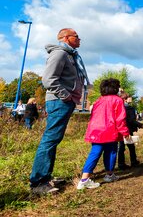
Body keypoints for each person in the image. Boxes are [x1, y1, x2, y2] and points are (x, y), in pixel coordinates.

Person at [30, 28, 89, 195]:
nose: (79, 39)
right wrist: (66, 96)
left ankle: (45, 177)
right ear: (66, 38)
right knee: (50, 139)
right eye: (76, 36)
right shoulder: (60, 54)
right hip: (59, 101)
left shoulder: (70, 55)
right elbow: (48, 79)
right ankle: (38, 182)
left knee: (54, 139)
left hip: (64, 102)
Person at [77, 78, 129, 190]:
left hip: (96, 130)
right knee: (111, 152)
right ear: (115, 88)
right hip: (110, 130)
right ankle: (109, 174)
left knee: (95, 153)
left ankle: (84, 178)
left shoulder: (98, 100)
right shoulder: (117, 100)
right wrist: (125, 132)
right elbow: (120, 119)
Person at [117, 93, 143, 170]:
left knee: (121, 147)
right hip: (127, 129)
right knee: (131, 146)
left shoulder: (118, 107)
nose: (131, 98)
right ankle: (133, 161)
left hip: (120, 129)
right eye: (130, 97)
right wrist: (140, 125)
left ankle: (121, 164)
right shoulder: (130, 108)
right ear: (125, 99)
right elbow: (131, 120)